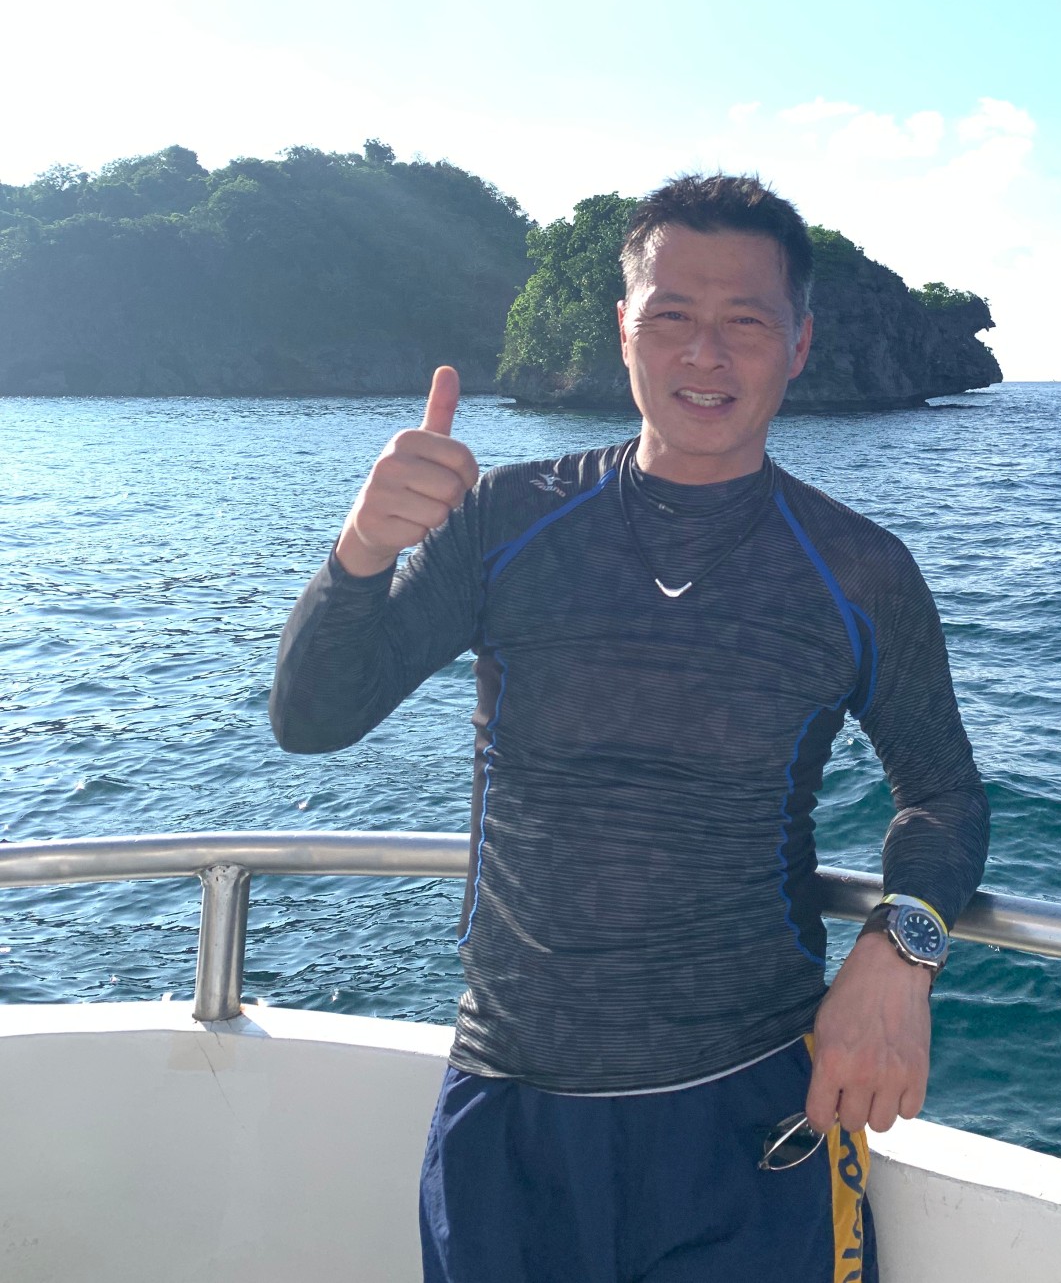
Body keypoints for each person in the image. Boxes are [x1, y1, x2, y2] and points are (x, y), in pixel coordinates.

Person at [270, 173, 989, 1283]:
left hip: (752, 1115)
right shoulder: (504, 521)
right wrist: (361, 552)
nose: (706, 354)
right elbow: (314, 716)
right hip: (509, 1108)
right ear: (622, 331)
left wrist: (902, 951)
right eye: (671, 316)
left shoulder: (858, 570)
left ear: (799, 344)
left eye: (746, 321)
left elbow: (942, 792)